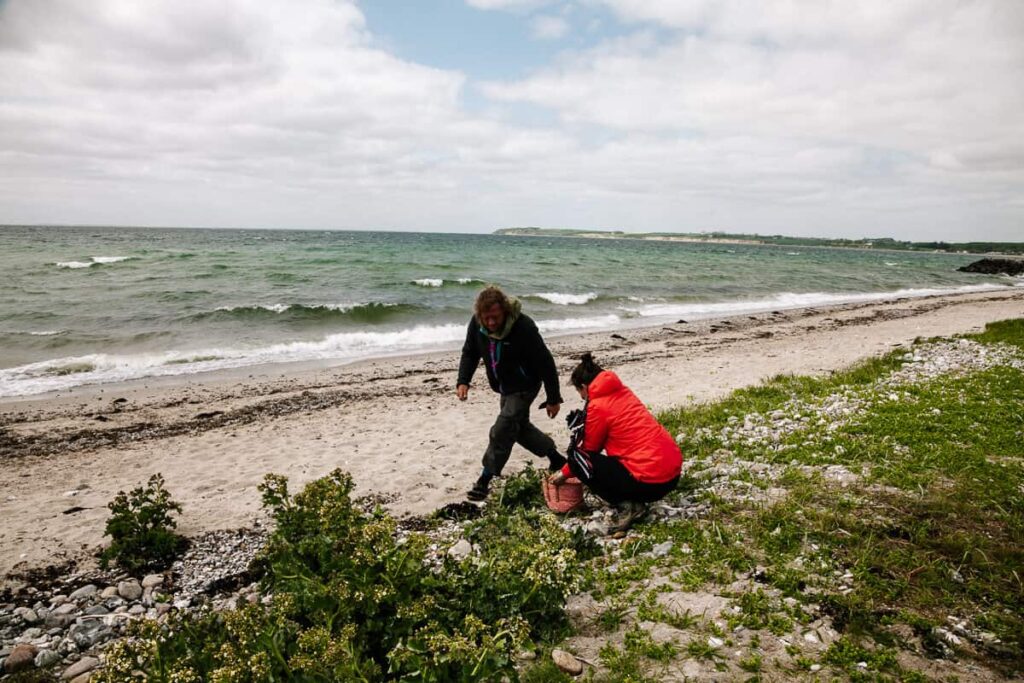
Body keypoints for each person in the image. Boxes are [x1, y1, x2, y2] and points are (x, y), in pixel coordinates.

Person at [550, 353, 682, 534]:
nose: (581, 398)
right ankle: (634, 498)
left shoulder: (597, 406)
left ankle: (628, 505)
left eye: (579, 392)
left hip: (651, 482)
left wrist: (564, 473)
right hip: (672, 476)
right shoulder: (623, 392)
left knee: (576, 457)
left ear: (584, 387)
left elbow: (588, 451)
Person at [457, 286, 566, 501]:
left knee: (503, 428)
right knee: (518, 427)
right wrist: (463, 381)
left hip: (525, 384)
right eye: (486, 318)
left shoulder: (523, 326)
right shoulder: (477, 322)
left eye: (495, 318)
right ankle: (556, 458)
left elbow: (545, 362)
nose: (490, 323)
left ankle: (485, 479)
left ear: (505, 311)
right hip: (503, 386)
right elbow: (470, 352)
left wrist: (553, 398)